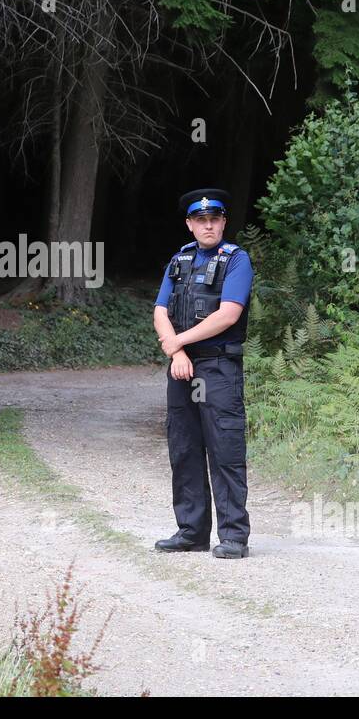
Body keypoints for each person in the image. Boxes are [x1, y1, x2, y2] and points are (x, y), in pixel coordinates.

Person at [152, 188, 253, 559]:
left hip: (218, 366)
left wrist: (178, 342)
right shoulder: (179, 260)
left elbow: (228, 313)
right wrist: (176, 350)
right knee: (184, 448)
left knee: (224, 449)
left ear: (223, 222)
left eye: (215, 219)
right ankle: (191, 532)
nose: (208, 225)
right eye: (201, 220)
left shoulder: (236, 260)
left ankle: (233, 536)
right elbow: (160, 310)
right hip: (181, 368)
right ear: (190, 224)